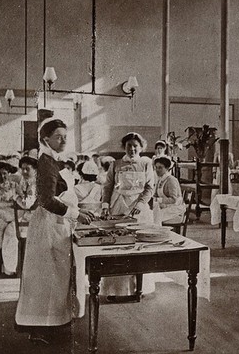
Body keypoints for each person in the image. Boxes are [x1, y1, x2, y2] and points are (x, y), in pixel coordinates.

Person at [15, 118, 95, 341]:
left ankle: (49, 325)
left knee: (55, 277)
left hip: (57, 224)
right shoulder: (45, 162)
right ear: (45, 139)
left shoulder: (54, 161)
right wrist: (76, 213)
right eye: (58, 137)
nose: (63, 141)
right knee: (45, 278)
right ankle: (39, 329)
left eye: (65, 137)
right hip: (49, 225)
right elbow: (47, 200)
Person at [100, 132, 154, 298]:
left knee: (138, 246)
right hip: (119, 205)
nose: (132, 149)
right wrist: (105, 205)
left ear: (141, 147)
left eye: (135, 146)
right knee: (117, 243)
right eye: (129, 146)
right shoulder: (115, 164)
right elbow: (108, 187)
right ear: (124, 147)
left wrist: (140, 204)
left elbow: (150, 187)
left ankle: (140, 288)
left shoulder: (146, 164)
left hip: (138, 208)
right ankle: (114, 290)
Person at [152, 157, 186, 225]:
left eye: (160, 168)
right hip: (165, 207)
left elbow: (173, 200)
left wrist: (158, 200)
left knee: (155, 217)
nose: (157, 170)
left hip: (175, 209)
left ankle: (158, 234)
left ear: (167, 168)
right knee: (148, 214)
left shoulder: (171, 180)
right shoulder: (160, 180)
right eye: (156, 167)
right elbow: (155, 195)